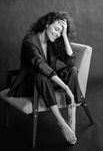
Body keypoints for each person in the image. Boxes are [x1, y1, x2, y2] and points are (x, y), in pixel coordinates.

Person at [8, 11, 81, 145]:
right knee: (41, 74)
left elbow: (71, 63)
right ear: (47, 24)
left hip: (48, 82)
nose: (57, 34)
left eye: (60, 32)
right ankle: (61, 122)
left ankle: (72, 117)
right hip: (30, 84)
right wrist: (65, 87)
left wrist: (64, 36)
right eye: (56, 29)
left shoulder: (54, 42)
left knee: (72, 70)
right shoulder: (29, 40)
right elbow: (41, 66)